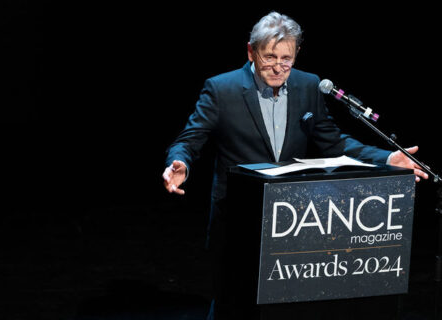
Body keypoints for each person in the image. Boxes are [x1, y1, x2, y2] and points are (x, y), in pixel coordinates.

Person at [161, 11, 428, 319]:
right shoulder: (222, 89)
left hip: (288, 220)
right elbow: (190, 139)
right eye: (269, 57)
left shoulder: (308, 86)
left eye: (286, 58)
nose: (278, 67)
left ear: (296, 54)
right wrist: (179, 162)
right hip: (237, 219)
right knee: (232, 305)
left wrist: (386, 157)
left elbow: (334, 143)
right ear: (251, 51)